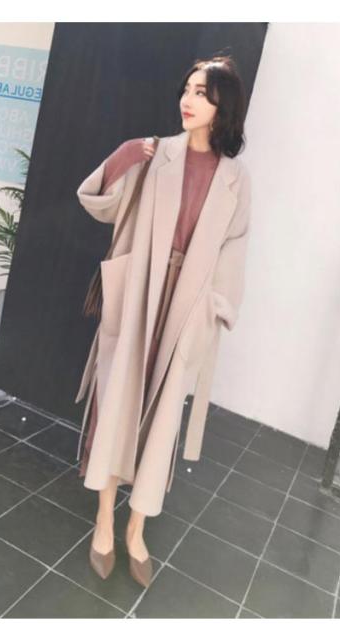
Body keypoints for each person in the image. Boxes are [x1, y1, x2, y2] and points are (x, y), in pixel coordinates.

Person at [76, 55, 251, 586]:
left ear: (223, 107)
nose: (188, 100)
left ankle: (136, 528)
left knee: (160, 421)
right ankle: (104, 520)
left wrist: (214, 310)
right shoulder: (155, 154)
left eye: (202, 93)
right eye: (187, 89)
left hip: (185, 309)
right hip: (139, 298)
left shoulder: (235, 178)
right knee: (118, 404)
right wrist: (125, 155)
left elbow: (234, 247)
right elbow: (98, 202)